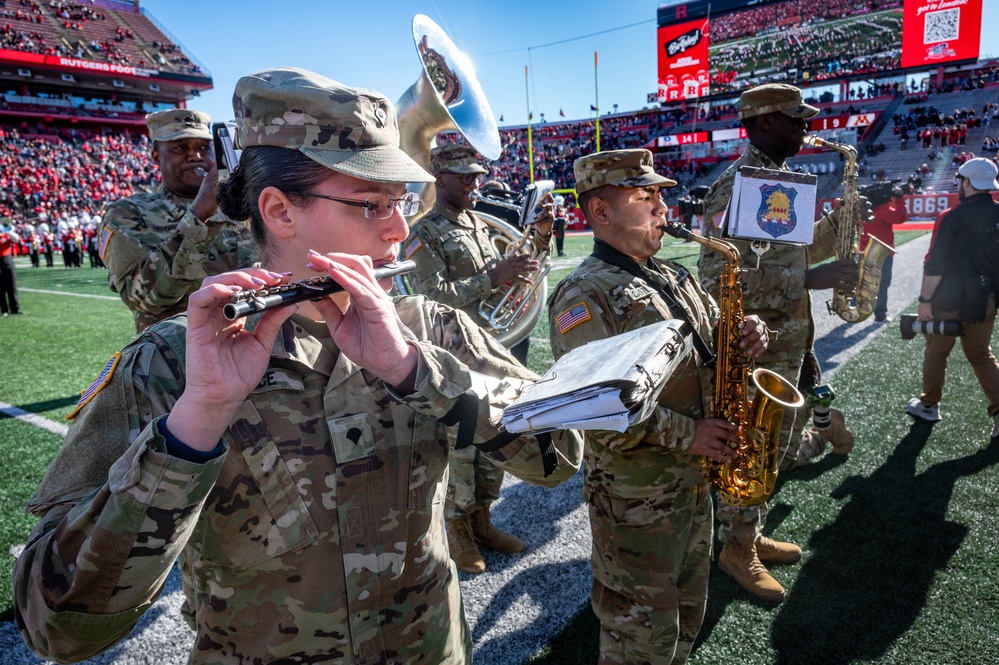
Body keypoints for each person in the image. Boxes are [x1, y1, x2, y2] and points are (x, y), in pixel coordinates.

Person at [13, 67, 582, 665]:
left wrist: (417, 372)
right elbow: (57, 631)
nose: (399, 229)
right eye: (371, 206)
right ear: (280, 212)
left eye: (401, 203)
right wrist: (194, 427)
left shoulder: (431, 329)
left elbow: (560, 456)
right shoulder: (167, 367)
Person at [548, 148, 769, 664]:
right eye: (644, 196)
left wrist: (743, 336)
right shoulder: (583, 297)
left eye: (661, 195)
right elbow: (594, 406)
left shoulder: (673, 274)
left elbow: (712, 339)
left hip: (692, 482)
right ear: (600, 212)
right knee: (639, 636)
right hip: (636, 498)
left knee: (686, 617)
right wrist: (687, 434)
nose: (662, 209)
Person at [699, 83, 859, 603]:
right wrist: (813, 282)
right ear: (765, 122)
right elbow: (717, 276)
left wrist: (836, 226)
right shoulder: (734, 186)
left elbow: (788, 255)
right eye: (796, 118)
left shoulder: (781, 179)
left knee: (774, 451)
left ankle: (750, 530)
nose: (805, 127)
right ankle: (735, 549)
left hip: (788, 339)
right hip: (754, 346)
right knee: (750, 451)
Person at [403, 144, 555, 574]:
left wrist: (540, 236)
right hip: (454, 356)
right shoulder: (424, 233)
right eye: (464, 176)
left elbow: (513, 276)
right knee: (462, 446)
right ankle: (458, 528)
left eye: (476, 174)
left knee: (497, 439)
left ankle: (483, 518)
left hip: (490, 350)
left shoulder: (477, 223)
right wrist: (493, 276)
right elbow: (429, 299)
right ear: (441, 179)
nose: (474, 182)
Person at [98, 107, 256, 333]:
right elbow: (146, 299)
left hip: (254, 347)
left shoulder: (239, 205)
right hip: (178, 355)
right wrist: (200, 214)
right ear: (156, 155)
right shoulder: (128, 212)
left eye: (203, 147)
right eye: (181, 147)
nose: (196, 155)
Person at [908, 157, 999, 437]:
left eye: (959, 180)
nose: (958, 184)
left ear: (967, 182)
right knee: (981, 355)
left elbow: (935, 264)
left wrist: (924, 301)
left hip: (949, 299)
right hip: (987, 299)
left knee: (936, 353)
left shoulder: (951, 217)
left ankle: (929, 405)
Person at [859, 182, 906, 322]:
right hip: (882, 253)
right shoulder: (882, 210)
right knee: (882, 284)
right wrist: (900, 199)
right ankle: (880, 314)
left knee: (862, 282)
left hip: (864, 250)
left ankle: (857, 309)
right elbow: (900, 217)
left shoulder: (864, 210)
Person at [0, 215, 21, 315]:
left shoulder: (6, 234)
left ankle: (15, 308)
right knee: (1, 287)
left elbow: (16, 239)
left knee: (12, 285)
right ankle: (4, 309)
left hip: (7, 260)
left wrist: (8, 230)